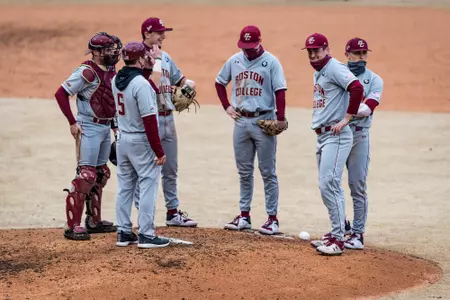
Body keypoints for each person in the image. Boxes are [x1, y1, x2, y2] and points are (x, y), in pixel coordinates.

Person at [215, 25, 288, 235]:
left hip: (264, 120)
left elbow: (280, 90)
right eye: (244, 46)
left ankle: (272, 218)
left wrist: (280, 118)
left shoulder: (271, 62)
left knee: (267, 172)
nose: (247, 50)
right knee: (244, 172)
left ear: (259, 42)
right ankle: (244, 215)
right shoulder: (234, 60)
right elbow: (219, 83)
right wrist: (226, 106)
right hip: (241, 121)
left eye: (251, 46)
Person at [55, 32, 122, 240]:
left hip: (103, 127)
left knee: (101, 174)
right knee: (86, 176)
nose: (114, 52)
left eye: (114, 48)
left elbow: (110, 101)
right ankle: (72, 225)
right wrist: (72, 122)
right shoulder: (87, 72)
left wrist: (114, 125)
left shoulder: (111, 70)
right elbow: (61, 93)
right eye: (109, 49)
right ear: (96, 52)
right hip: (88, 127)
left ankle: (94, 221)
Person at [303, 33, 364, 255]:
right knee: (326, 186)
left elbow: (356, 88)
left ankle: (338, 240)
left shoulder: (334, 68)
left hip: (336, 135)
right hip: (323, 136)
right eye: (310, 51)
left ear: (327, 49)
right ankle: (335, 232)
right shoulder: (319, 72)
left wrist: (347, 117)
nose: (313, 54)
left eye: (317, 50)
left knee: (329, 183)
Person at [138, 17, 198, 227]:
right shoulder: (137, 57)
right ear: (147, 34)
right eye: (159, 33)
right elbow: (149, 85)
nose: (163, 36)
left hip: (168, 119)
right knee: (146, 171)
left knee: (171, 169)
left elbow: (179, 79)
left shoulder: (165, 57)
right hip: (149, 121)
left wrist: (188, 84)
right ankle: (142, 215)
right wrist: (156, 61)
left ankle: (172, 212)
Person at [112, 41, 170, 248]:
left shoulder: (116, 79)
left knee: (125, 187)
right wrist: (158, 150)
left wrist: (146, 71)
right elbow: (149, 120)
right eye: (145, 55)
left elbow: (135, 81)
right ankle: (146, 233)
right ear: (139, 59)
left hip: (123, 139)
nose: (149, 57)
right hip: (140, 141)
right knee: (148, 185)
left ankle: (123, 231)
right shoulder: (142, 85)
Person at [343, 37, 384, 250]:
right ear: (347, 54)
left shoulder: (375, 80)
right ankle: (341, 226)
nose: (361, 57)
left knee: (357, 185)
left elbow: (367, 108)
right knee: (329, 182)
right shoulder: (338, 74)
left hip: (359, 136)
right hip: (338, 135)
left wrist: (343, 113)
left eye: (364, 54)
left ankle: (358, 234)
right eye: (357, 53)